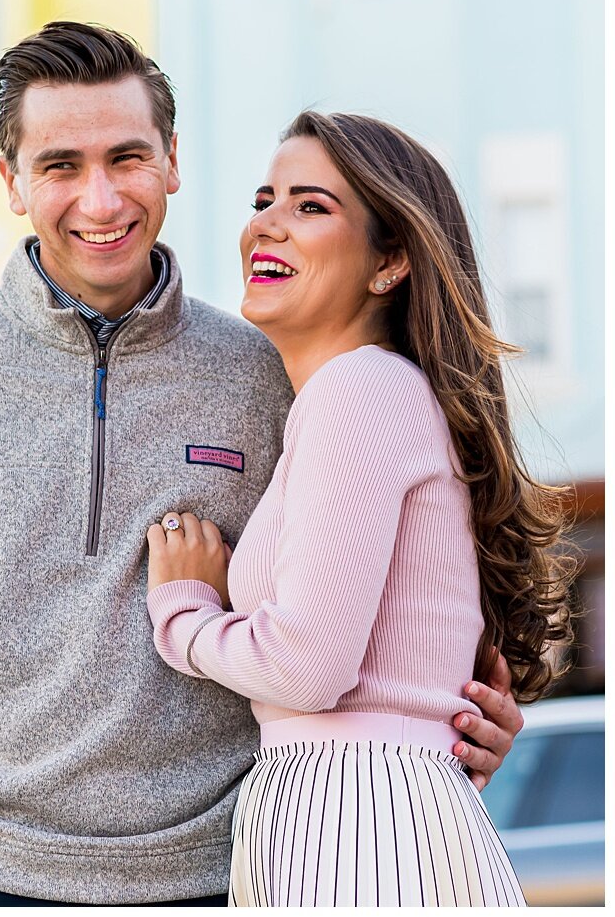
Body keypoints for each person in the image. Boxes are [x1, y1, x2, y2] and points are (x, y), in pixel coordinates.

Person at [0, 23, 526, 906]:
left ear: (172, 160)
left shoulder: (278, 370)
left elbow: (390, 599)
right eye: (60, 165)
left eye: (128, 158)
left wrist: (460, 716)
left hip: (224, 875)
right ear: (13, 181)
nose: (100, 201)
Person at [146, 111, 571, 905]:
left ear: (390, 262)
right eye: (264, 197)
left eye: (311, 206)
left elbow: (307, 665)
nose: (265, 224)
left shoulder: (360, 389)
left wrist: (182, 612)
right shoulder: (363, 398)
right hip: (351, 812)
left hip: (357, 819)